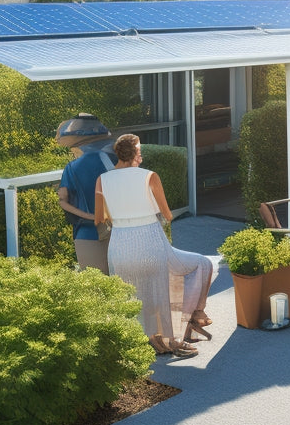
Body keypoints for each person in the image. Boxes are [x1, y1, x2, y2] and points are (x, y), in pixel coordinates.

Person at [94, 134, 214, 358]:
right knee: (162, 290)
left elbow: (99, 219)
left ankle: (141, 341)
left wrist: (121, 216)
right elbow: (167, 215)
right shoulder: (149, 177)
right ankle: (175, 337)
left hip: (120, 247)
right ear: (136, 153)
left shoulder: (102, 179)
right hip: (149, 241)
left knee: (133, 294)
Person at [56, 114, 117, 274]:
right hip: (121, 230)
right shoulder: (119, 160)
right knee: (122, 285)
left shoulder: (73, 168)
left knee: (95, 287)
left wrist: (90, 216)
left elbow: (63, 200)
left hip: (88, 232)